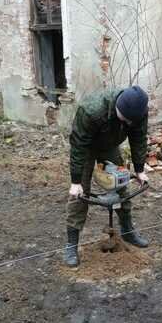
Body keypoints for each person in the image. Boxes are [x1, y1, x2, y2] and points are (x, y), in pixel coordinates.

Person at [64, 85, 149, 267]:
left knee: (121, 183)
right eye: (125, 120)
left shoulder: (139, 112)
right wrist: (76, 181)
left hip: (109, 145)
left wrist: (140, 169)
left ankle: (127, 231)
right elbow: (78, 145)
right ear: (118, 107)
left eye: (131, 122)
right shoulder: (91, 110)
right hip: (85, 147)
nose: (129, 124)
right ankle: (71, 244)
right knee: (79, 196)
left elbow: (139, 138)